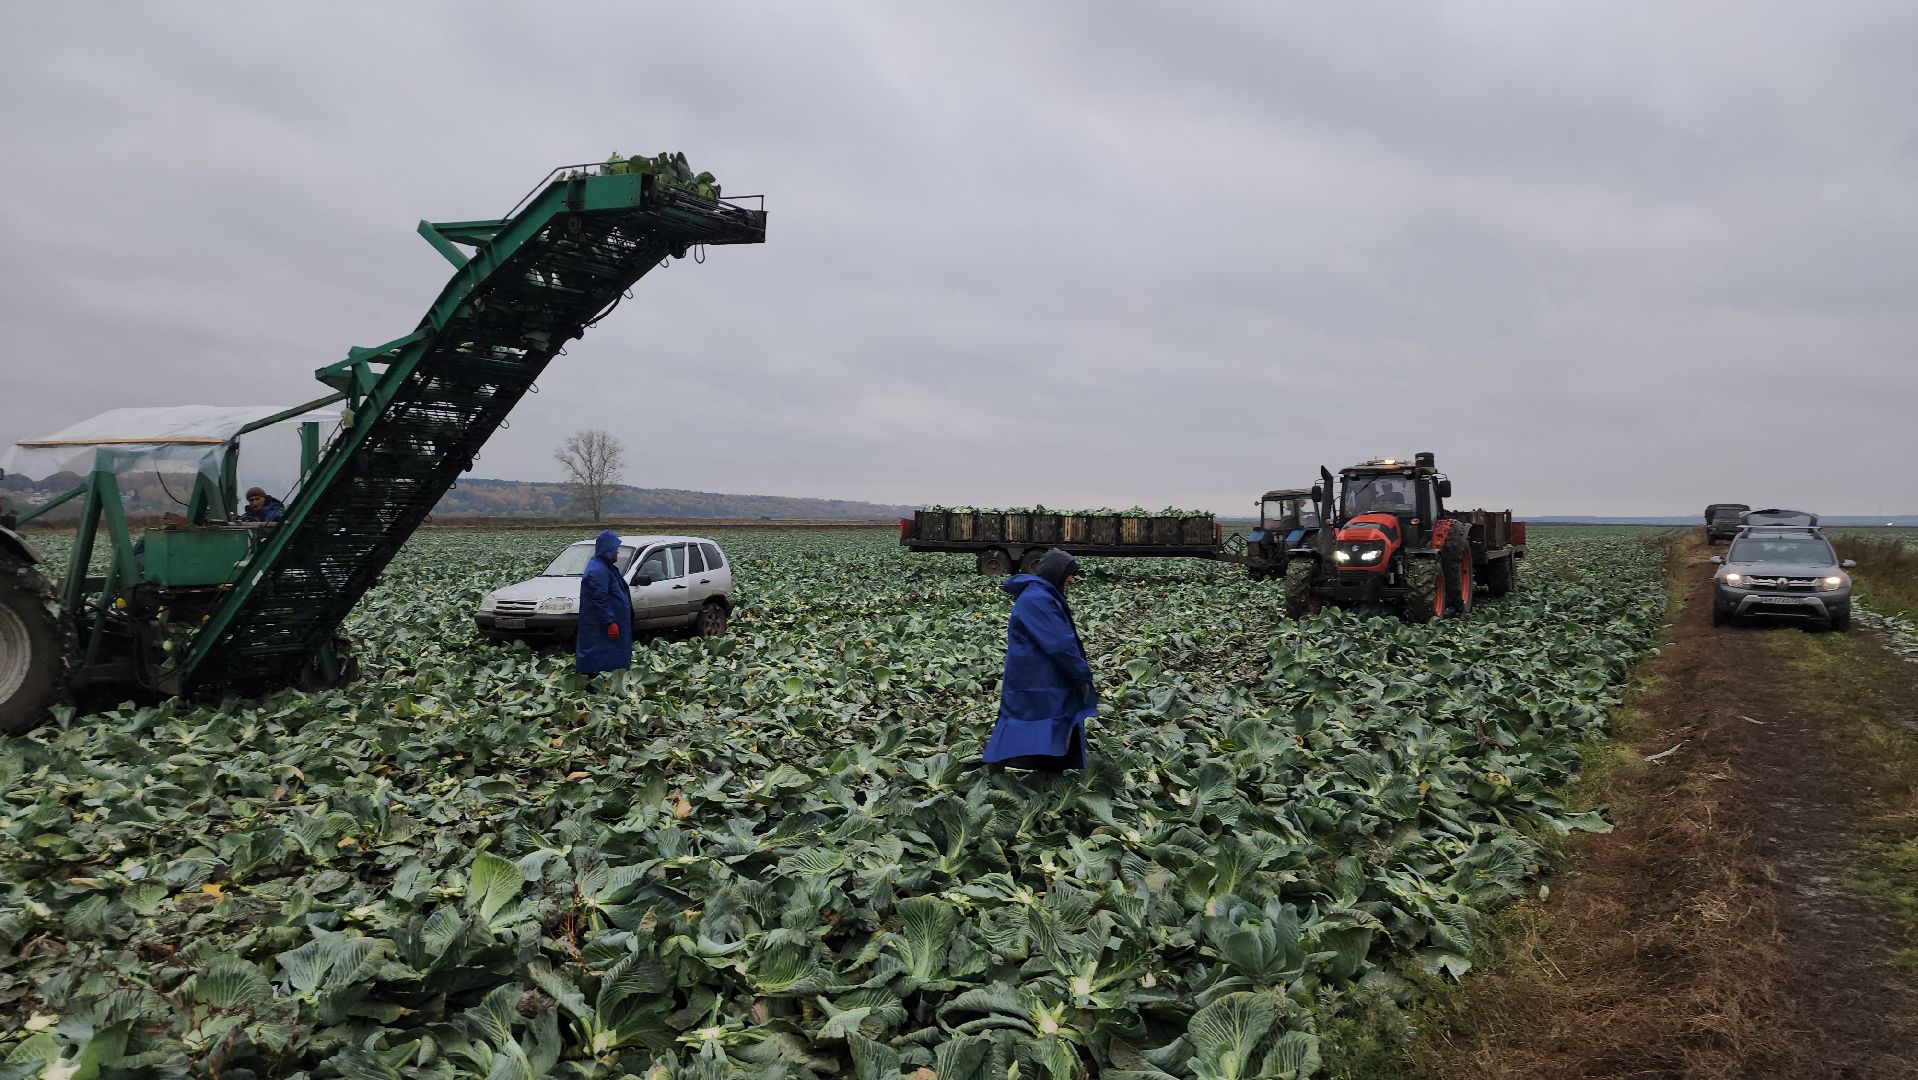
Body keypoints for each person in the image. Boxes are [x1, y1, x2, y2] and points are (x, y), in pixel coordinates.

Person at [983, 548, 1095, 771]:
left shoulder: (1042, 594)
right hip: (1036, 676)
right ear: (1057, 574)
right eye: (1069, 574)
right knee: (1034, 720)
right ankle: (1000, 767)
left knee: (1033, 720)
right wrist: (1081, 672)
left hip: (1036, 674)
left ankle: (1046, 769)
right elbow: (1059, 644)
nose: (1072, 580)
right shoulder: (1038, 599)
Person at [576, 529, 633, 676]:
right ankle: (595, 682)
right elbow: (600, 598)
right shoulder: (597, 571)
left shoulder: (605, 567)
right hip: (600, 626)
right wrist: (610, 622)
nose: (617, 553)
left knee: (612, 654)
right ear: (608, 550)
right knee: (599, 656)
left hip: (610, 622)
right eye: (615, 550)